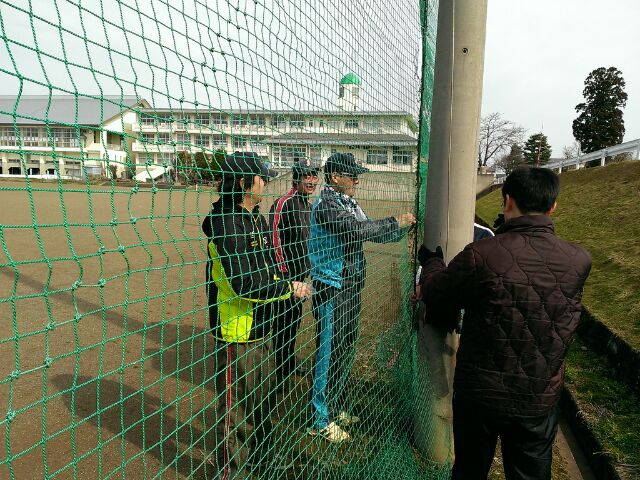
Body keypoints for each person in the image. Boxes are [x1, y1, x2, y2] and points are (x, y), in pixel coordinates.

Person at [417, 166, 591, 479]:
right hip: (538, 396)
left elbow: (437, 292)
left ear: (507, 200)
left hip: (480, 392)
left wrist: (432, 262)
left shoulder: (482, 254)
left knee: (470, 469)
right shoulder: (578, 260)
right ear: (553, 206)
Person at [201, 151, 312, 478]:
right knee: (235, 412)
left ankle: (262, 463)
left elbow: (266, 267)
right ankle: (231, 472)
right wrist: (288, 288)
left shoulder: (253, 217)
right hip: (237, 333)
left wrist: (283, 283)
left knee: (260, 406)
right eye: (262, 178)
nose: (266, 184)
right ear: (243, 183)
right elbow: (244, 283)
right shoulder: (226, 223)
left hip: (261, 327)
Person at [308, 152, 416, 442]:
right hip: (332, 288)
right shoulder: (327, 204)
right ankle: (319, 419)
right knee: (329, 352)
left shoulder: (349, 202)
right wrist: (395, 221)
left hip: (351, 286)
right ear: (335, 177)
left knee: (344, 349)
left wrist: (402, 229)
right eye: (352, 175)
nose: (357, 180)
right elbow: (357, 229)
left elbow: (372, 232)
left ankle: (335, 406)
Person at [269, 158, 320, 390]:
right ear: (296, 178)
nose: (312, 180)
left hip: (301, 278)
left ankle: (288, 363)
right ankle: (280, 374)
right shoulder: (283, 203)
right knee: (282, 326)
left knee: (294, 323)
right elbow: (274, 239)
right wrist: (285, 276)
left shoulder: (308, 206)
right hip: (284, 280)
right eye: (307, 175)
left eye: (314, 175)